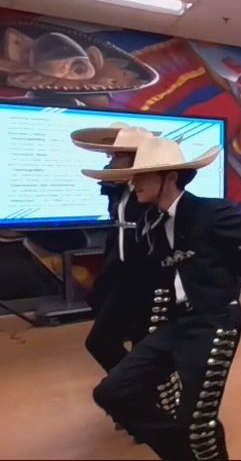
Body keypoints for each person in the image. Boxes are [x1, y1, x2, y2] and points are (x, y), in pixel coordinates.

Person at [87, 137, 241, 461]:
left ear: (170, 177)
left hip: (214, 321)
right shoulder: (150, 223)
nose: (133, 184)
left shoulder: (208, 212)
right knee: (112, 392)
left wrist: (227, 272)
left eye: (143, 176)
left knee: (197, 423)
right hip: (173, 324)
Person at [71, 125, 159, 373]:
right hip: (120, 275)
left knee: (142, 342)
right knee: (102, 341)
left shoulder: (154, 191)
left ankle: (138, 395)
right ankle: (131, 389)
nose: (110, 162)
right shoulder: (120, 190)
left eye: (116, 155)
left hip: (148, 278)